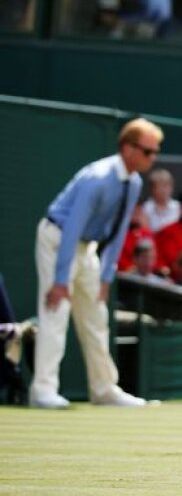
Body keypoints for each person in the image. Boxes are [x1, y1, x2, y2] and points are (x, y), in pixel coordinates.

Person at [31, 118, 160, 409]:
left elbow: (119, 229)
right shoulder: (98, 178)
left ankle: (104, 389)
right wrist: (61, 280)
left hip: (86, 249)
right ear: (127, 148)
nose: (152, 157)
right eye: (147, 151)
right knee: (56, 311)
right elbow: (73, 227)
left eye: (155, 152)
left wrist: (105, 277)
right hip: (58, 239)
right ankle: (43, 390)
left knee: (97, 318)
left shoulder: (134, 183)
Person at [141, 168, 179, 233]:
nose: (164, 190)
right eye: (160, 186)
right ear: (153, 189)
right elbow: (145, 231)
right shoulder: (145, 208)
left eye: (166, 186)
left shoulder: (178, 207)